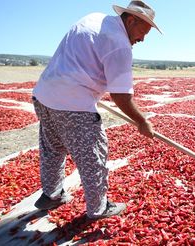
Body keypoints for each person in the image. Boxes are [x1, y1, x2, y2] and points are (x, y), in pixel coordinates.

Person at [32, 0, 161, 219]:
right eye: (143, 32)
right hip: (74, 105)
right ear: (131, 20)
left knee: (53, 148)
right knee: (93, 156)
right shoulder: (120, 44)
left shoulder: (93, 18)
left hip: (44, 94)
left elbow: (78, 58)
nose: (142, 39)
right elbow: (121, 96)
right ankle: (98, 208)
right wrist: (142, 121)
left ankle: (51, 195)